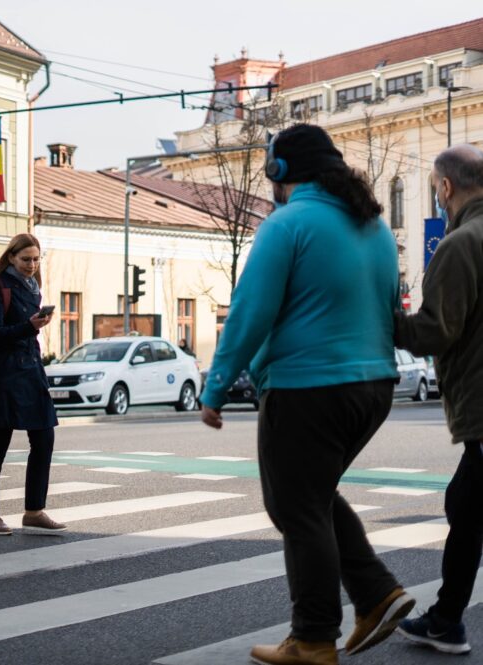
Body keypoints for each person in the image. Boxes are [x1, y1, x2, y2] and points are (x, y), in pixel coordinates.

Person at [199, 123, 413, 665]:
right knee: (312, 497)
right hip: (374, 388)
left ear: (279, 171)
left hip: (307, 388)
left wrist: (217, 387)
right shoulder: (375, 226)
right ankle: (376, 594)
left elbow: (250, 311)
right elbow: (392, 306)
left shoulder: (286, 225)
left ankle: (314, 638)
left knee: (296, 507)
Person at [394, 145, 483, 655]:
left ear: (445, 188)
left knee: (468, 507)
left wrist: (387, 320)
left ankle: (448, 620)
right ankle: (448, 617)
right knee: (467, 505)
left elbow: (435, 331)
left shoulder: (461, 244)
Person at [0, 233, 63, 536]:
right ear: (11, 258)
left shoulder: (33, 287)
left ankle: (34, 510)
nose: (31, 265)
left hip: (30, 373)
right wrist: (29, 326)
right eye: (26, 259)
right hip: (3, 376)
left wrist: (32, 328)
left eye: (36, 259)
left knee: (44, 438)